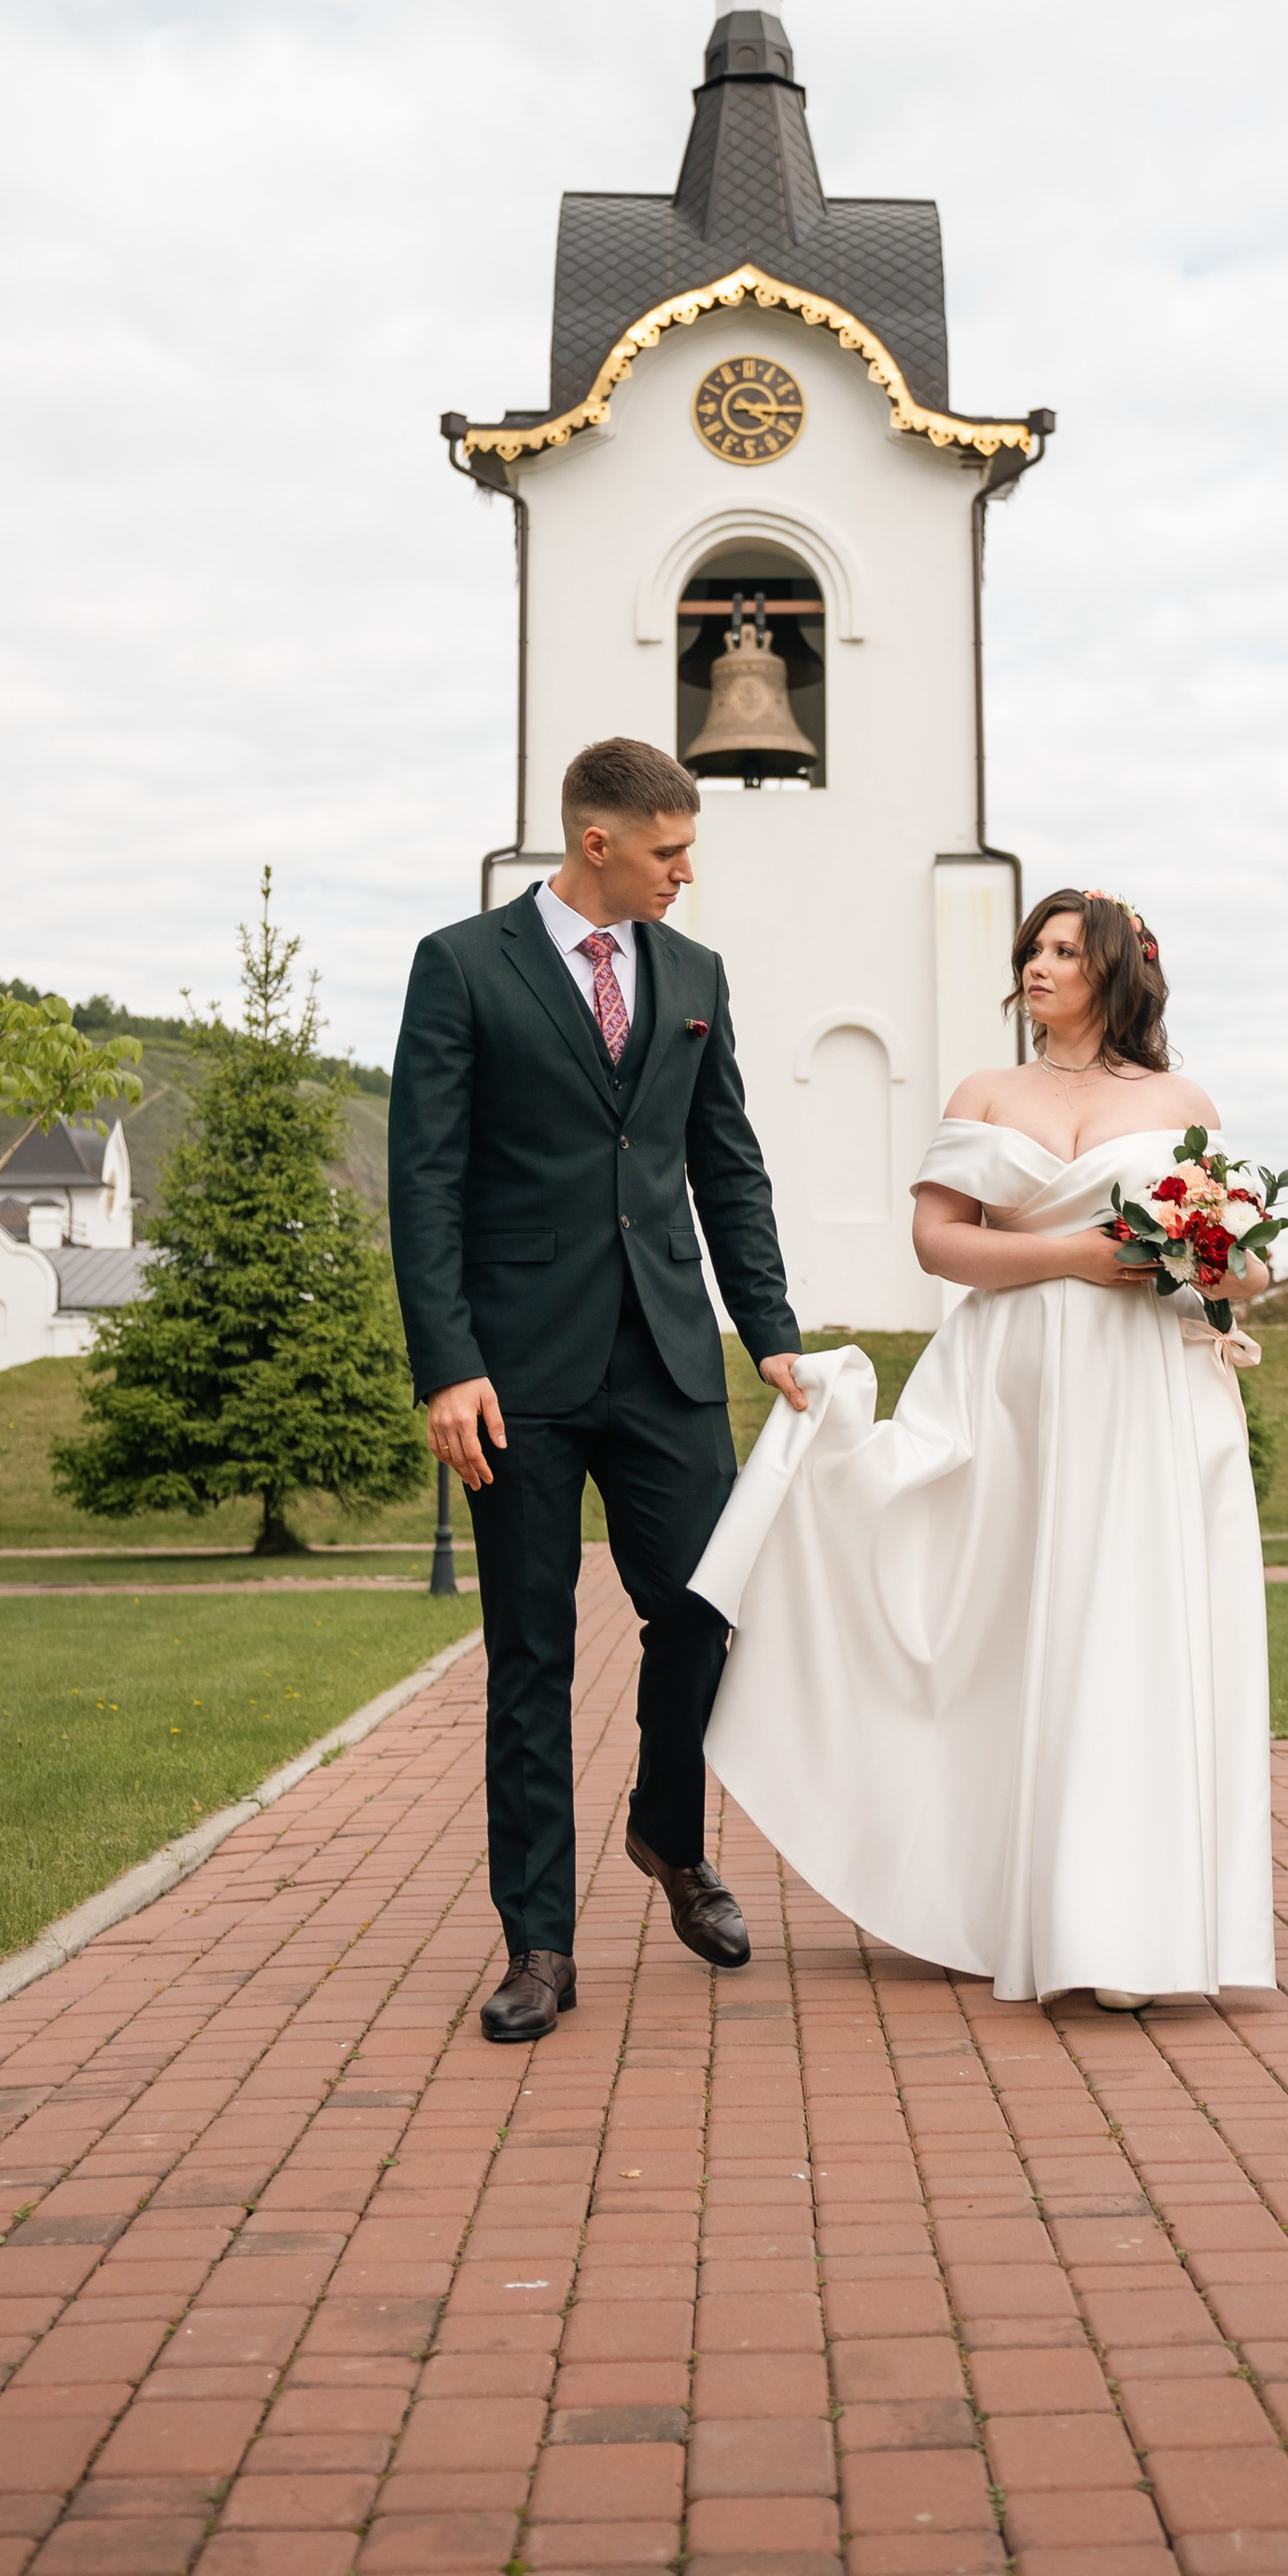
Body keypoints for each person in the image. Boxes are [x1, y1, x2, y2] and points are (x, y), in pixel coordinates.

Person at [692, 889, 1275, 2009]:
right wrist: (1072, 1255)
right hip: (1008, 1387)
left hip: (1148, 1388)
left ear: (1118, 971)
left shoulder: (1180, 1100)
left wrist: (1197, 1260)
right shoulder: (985, 1093)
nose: (1039, 966)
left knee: (1132, 1627)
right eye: (1033, 950)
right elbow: (939, 1243)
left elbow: (1241, 1269)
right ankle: (987, 1887)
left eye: (1065, 950)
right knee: (999, 1620)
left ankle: (1125, 1923)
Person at [388, 735, 808, 2043]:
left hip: (669, 1356)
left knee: (704, 1609)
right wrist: (448, 1364)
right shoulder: (462, 966)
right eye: (670, 852)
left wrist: (771, 1331)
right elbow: (426, 1181)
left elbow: (725, 1166)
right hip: (517, 1369)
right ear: (597, 845)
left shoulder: (694, 976)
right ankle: (540, 1945)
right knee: (532, 1653)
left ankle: (667, 1837)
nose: (687, 874)